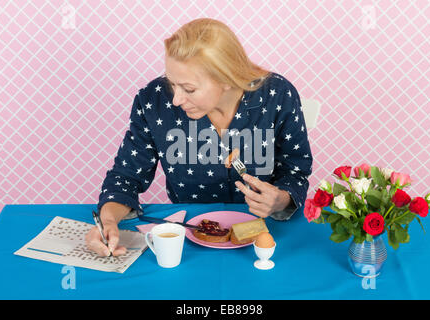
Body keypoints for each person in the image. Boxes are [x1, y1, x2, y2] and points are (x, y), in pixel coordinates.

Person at [85, 18, 313, 257]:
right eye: (172, 83)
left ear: (227, 79)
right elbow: (125, 177)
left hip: (269, 236)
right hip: (190, 243)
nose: (176, 99)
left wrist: (280, 200)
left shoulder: (277, 95)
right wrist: (107, 221)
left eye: (189, 89)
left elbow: (296, 170)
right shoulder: (152, 100)